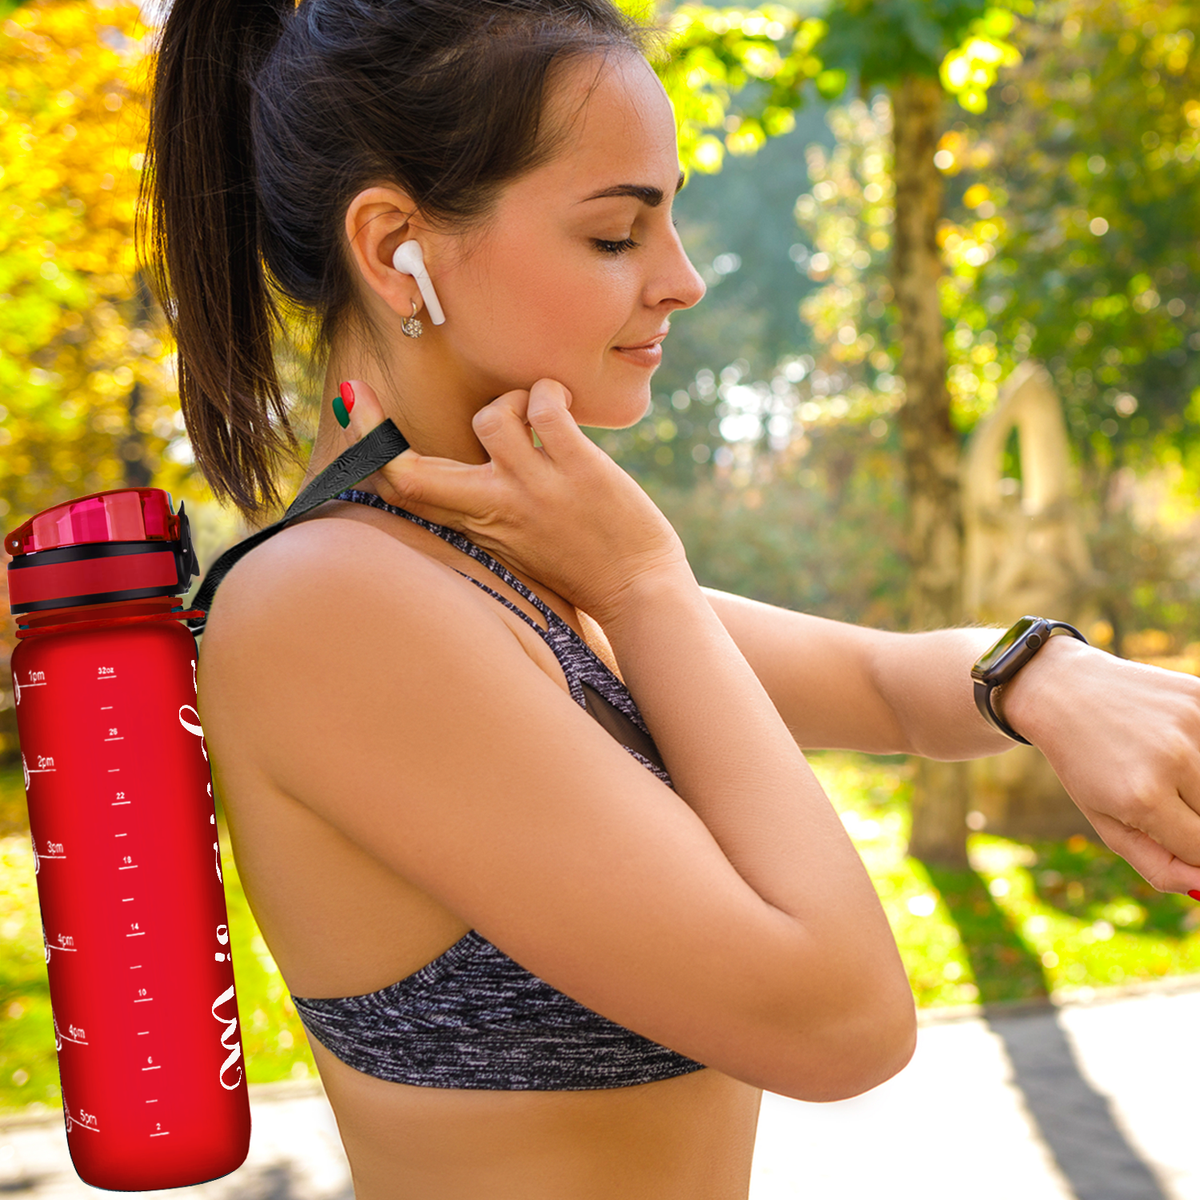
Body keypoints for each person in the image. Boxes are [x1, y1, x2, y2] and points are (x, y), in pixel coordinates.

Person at [138, 1, 1200, 1196]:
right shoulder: (330, 608)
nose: (683, 281)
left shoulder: (506, 564)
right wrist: (644, 582)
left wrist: (1047, 673)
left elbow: (884, 688)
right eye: (616, 234)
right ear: (397, 252)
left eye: (672, 221)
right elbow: (842, 1021)